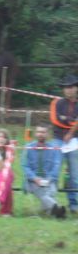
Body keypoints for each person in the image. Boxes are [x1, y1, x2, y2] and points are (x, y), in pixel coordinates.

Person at [21, 125, 66, 218]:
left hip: (49, 179)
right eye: (38, 132)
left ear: (48, 134)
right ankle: (56, 207)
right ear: (35, 133)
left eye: (43, 132)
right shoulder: (28, 148)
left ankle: (53, 211)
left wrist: (49, 179)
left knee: (50, 191)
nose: (40, 134)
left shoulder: (54, 149)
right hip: (32, 181)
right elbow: (25, 166)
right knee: (41, 190)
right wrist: (34, 178)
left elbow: (56, 166)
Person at [49, 74, 78, 214]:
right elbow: (55, 120)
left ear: (76, 88)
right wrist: (72, 122)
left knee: (74, 174)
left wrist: (70, 131)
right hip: (57, 139)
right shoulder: (56, 102)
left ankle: (74, 205)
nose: (68, 90)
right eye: (66, 87)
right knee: (54, 170)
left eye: (71, 87)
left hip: (74, 141)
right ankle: (51, 203)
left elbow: (70, 122)